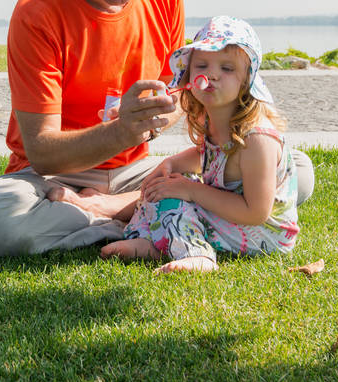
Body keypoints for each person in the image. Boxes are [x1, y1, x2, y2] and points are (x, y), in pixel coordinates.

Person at [0, 0, 314, 256]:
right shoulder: (37, 12)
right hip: (54, 177)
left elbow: (176, 96)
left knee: (295, 168)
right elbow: (43, 152)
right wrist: (124, 130)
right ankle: (143, 215)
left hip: (136, 170)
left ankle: (121, 210)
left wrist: (157, 117)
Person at [101, 16, 301, 273]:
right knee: (163, 188)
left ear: (246, 80)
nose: (212, 75)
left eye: (227, 69)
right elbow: (207, 154)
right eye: (202, 65)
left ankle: (197, 255)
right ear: (189, 75)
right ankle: (154, 243)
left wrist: (191, 191)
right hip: (231, 213)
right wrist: (170, 164)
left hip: (262, 232)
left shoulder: (257, 139)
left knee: (177, 198)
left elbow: (256, 212)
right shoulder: (210, 116)